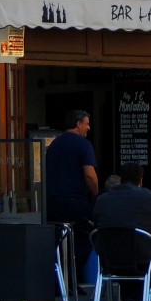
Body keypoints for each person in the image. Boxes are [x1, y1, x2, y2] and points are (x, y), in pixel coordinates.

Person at [92, 162, 151, 301]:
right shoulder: (148, 197)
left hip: (108, 260)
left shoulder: (102, 199)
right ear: (140, 180)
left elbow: (96, 221)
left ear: (121, 178)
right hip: (141, 257)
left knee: (127, 263)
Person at [46, 110, 99, 280]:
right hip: (76, 201)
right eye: (87, 123)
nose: (89, 128)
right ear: (78, 124)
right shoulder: (84, 145)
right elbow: (89, 174)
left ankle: (59, 280)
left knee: (57, 241)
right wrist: (95, 192)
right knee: (86, 236)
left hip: (53, 201)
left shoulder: (53, 145)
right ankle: (71, 277)